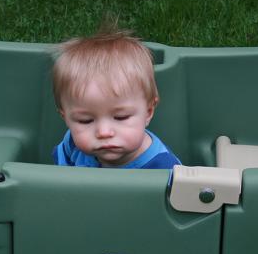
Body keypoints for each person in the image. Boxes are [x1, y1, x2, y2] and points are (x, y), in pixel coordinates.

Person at [51, 26, 181, 169]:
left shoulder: (163, 168)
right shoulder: (72, 144)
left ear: (148, 112)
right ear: (66, 118)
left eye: (121, 117)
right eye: (85, 120)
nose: (104, 132)